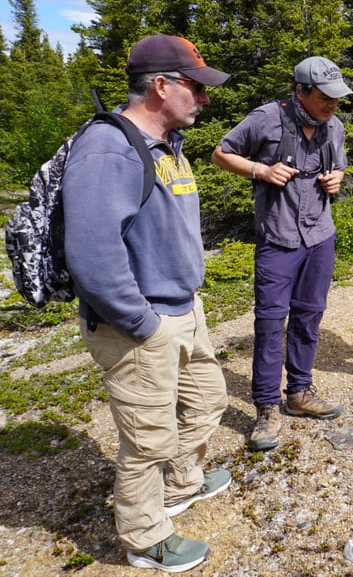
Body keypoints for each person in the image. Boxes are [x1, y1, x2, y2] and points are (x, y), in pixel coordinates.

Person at [63, 34, 231, 572]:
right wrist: (140, 321)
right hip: (138, 321)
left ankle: (182, 483)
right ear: (160, 86)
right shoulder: (109, 147)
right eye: (195, 89)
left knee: (208, 401)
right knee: (146, 438)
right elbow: (92, 251)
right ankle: (144, 538)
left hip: (183, 307)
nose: (204, 100)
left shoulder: (167, 144)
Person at [212, 56, 349, 451]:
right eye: (325, 98)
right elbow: (221, 154)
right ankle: (267, 407)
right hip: (277, 239)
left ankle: (300, 392)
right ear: (300, 91)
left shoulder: (334, 127)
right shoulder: (266, 119)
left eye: (337, 98)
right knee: (271, 324)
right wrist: (260, 171)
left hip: (320, 237)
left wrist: (337, 179)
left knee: (309, 316)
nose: (332, 106)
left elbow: (339, 170)